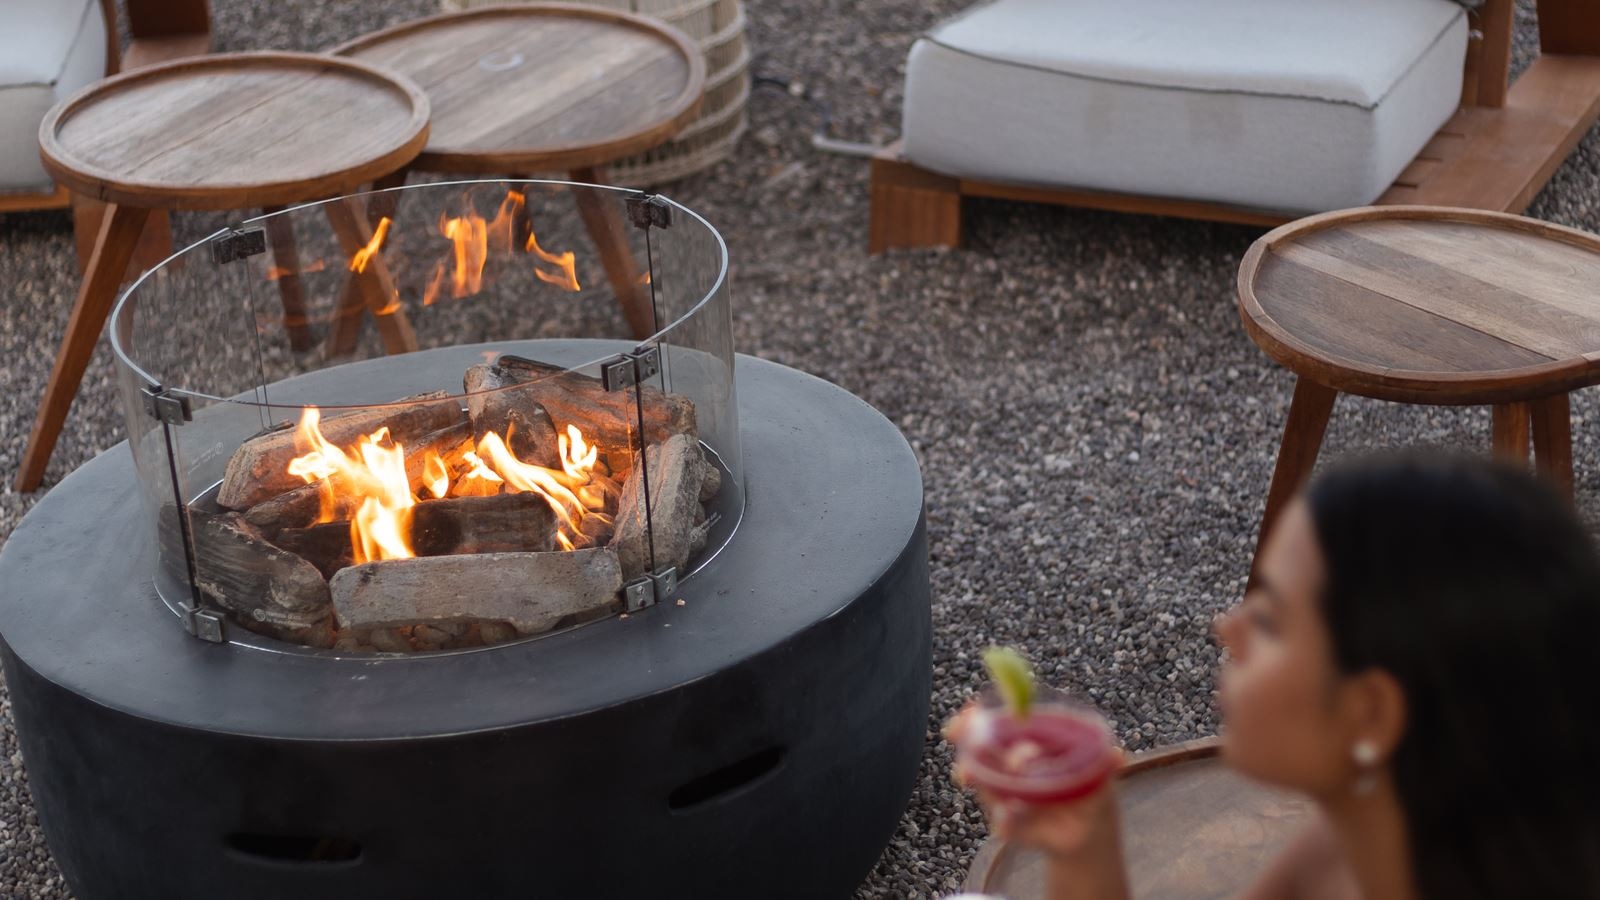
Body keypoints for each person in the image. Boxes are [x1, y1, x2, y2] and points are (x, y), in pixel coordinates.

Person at [951, 456, 1600, 899]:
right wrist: (1084, 845)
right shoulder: (1358, 840)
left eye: (1269, 621)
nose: (1225, 627)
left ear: (1370, 714)